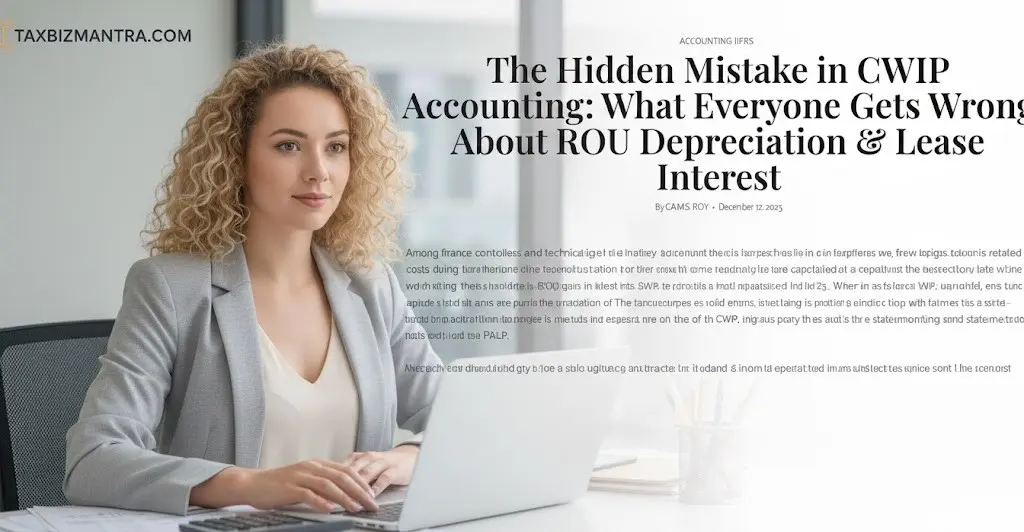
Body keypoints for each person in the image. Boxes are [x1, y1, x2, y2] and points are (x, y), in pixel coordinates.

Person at [62, 43, 442, 516]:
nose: (318, 172)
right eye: (288, 146)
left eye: (336, 147)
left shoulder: (371, 285)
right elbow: (93, 461)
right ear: (235, 158)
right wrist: (251, 485)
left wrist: (411, 457)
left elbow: (461, 422)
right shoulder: (169, 288)